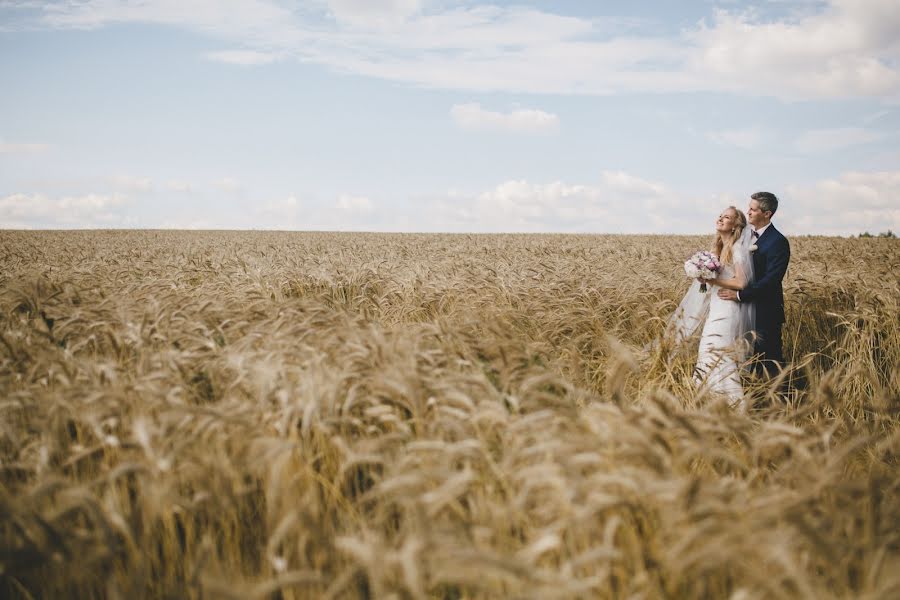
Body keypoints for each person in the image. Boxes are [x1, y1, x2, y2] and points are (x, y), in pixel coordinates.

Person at [669, 207, 755, 408]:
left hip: (727, 307)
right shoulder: (718, 248)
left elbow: (741, 282)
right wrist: (703, 277)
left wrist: (712, 280)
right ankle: (707, 401)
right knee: (707, 351)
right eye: (720, 216)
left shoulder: (736, 249)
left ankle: (733, 404)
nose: (721, 219)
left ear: (735, 225)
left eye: (727, 217)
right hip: (717, 306)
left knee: (718, 352)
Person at [717, 192, 790, 379]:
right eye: (748, 208)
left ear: (767, 214)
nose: (748, 212)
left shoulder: (778, 242)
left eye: (753, 209)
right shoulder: (743, 236)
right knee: (741, 358)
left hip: (764, 311)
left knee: (768, 361)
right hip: (738, 310)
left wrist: (740, 295)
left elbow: (771, 281)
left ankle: (775, 403)